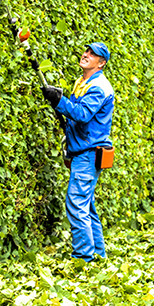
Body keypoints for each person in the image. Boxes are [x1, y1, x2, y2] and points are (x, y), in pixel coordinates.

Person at [41, 42, 114, 262]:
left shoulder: (100, 87)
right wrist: (60, 101)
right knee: (86, 205)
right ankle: (97, 255)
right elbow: (74, 114)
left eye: (93, 55)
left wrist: (58, 100)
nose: (86, 55)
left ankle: (84, 258)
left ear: (101, 64)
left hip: (89, 153)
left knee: (76, 203)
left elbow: (82, 114)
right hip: (81, 150)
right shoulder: (82, 82)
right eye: (87, 51)